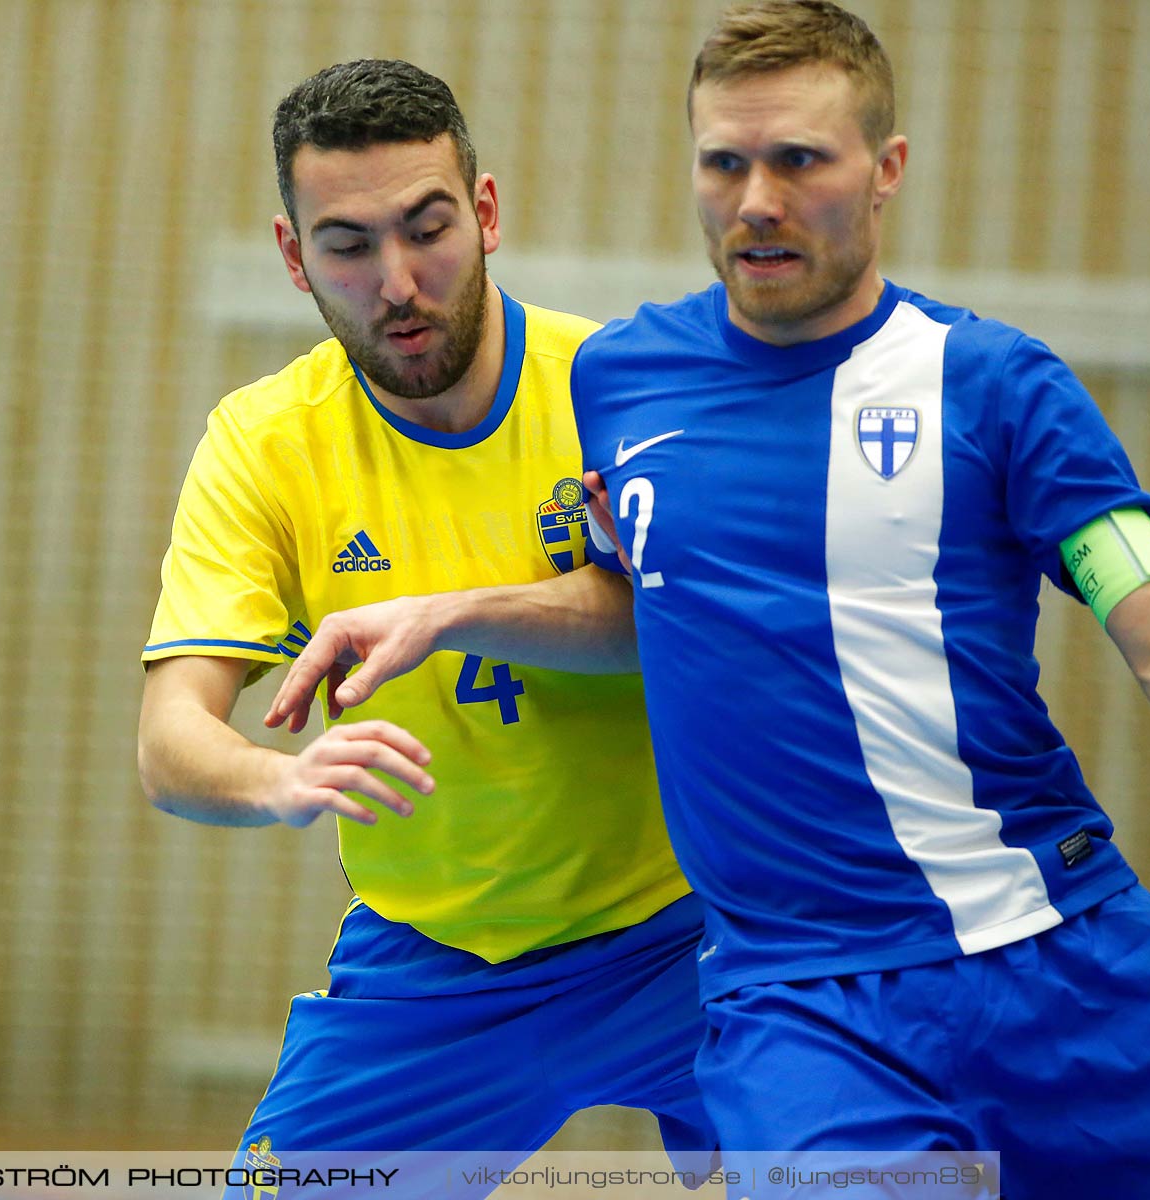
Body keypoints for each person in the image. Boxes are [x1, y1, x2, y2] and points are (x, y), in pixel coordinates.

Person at [265, 6, 1150, 1197]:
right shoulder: (623, 382)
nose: (757, 198)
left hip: (1062, 949)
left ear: (886, 171)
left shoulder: (999, 387)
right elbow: (643, 605)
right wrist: (449, 612)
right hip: (799, 1012)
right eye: (725, 162)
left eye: (800, 160)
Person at [136, 59, 716, 1192]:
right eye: (348, 246)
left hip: (694, 935)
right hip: (438, 966)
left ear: (486, 212)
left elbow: (690, 629)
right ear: (294, 257)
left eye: (428, 227)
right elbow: (170, 742)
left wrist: (453, 616)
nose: (398, 281)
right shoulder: (267, 445)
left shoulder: (627, 390)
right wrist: (279, 782)